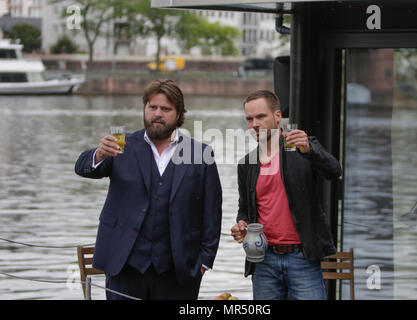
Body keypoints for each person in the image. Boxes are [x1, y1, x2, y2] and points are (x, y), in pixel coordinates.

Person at [75, 79, 222, 300]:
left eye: (166, 109)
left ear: (179, 114)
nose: (157, 114)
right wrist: (99, 154)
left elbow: (212, 213)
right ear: (144, 109)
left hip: (180, 271)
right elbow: (83, 168)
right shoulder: (120, 145)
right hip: (124, 266)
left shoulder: (200, 153)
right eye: (152, 107)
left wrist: (203, 262)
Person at [230, 90, 342, 300]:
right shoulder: (247, 164)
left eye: (261, 116)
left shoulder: (303, 148)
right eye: (249, 119)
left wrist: (310, 150)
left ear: (278, 116)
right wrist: (242, 224)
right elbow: (245, 208)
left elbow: (334, 171)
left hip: (303, 257)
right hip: (263, 260)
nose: (255, 124)